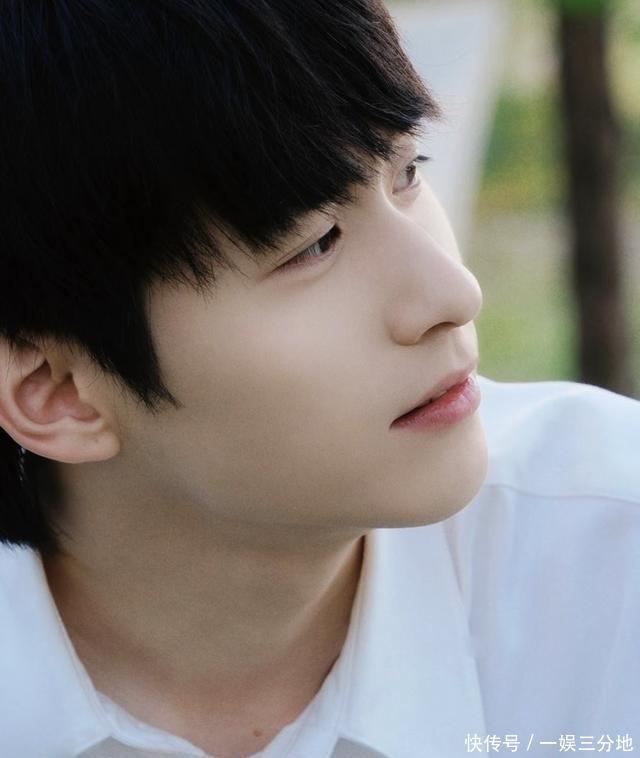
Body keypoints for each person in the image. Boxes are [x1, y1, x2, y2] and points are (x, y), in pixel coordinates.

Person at [0, 2, 638, 757]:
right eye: (314, 245)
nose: (453, 293)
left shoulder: (610, 551)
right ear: (58, 392)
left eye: (408, 174)